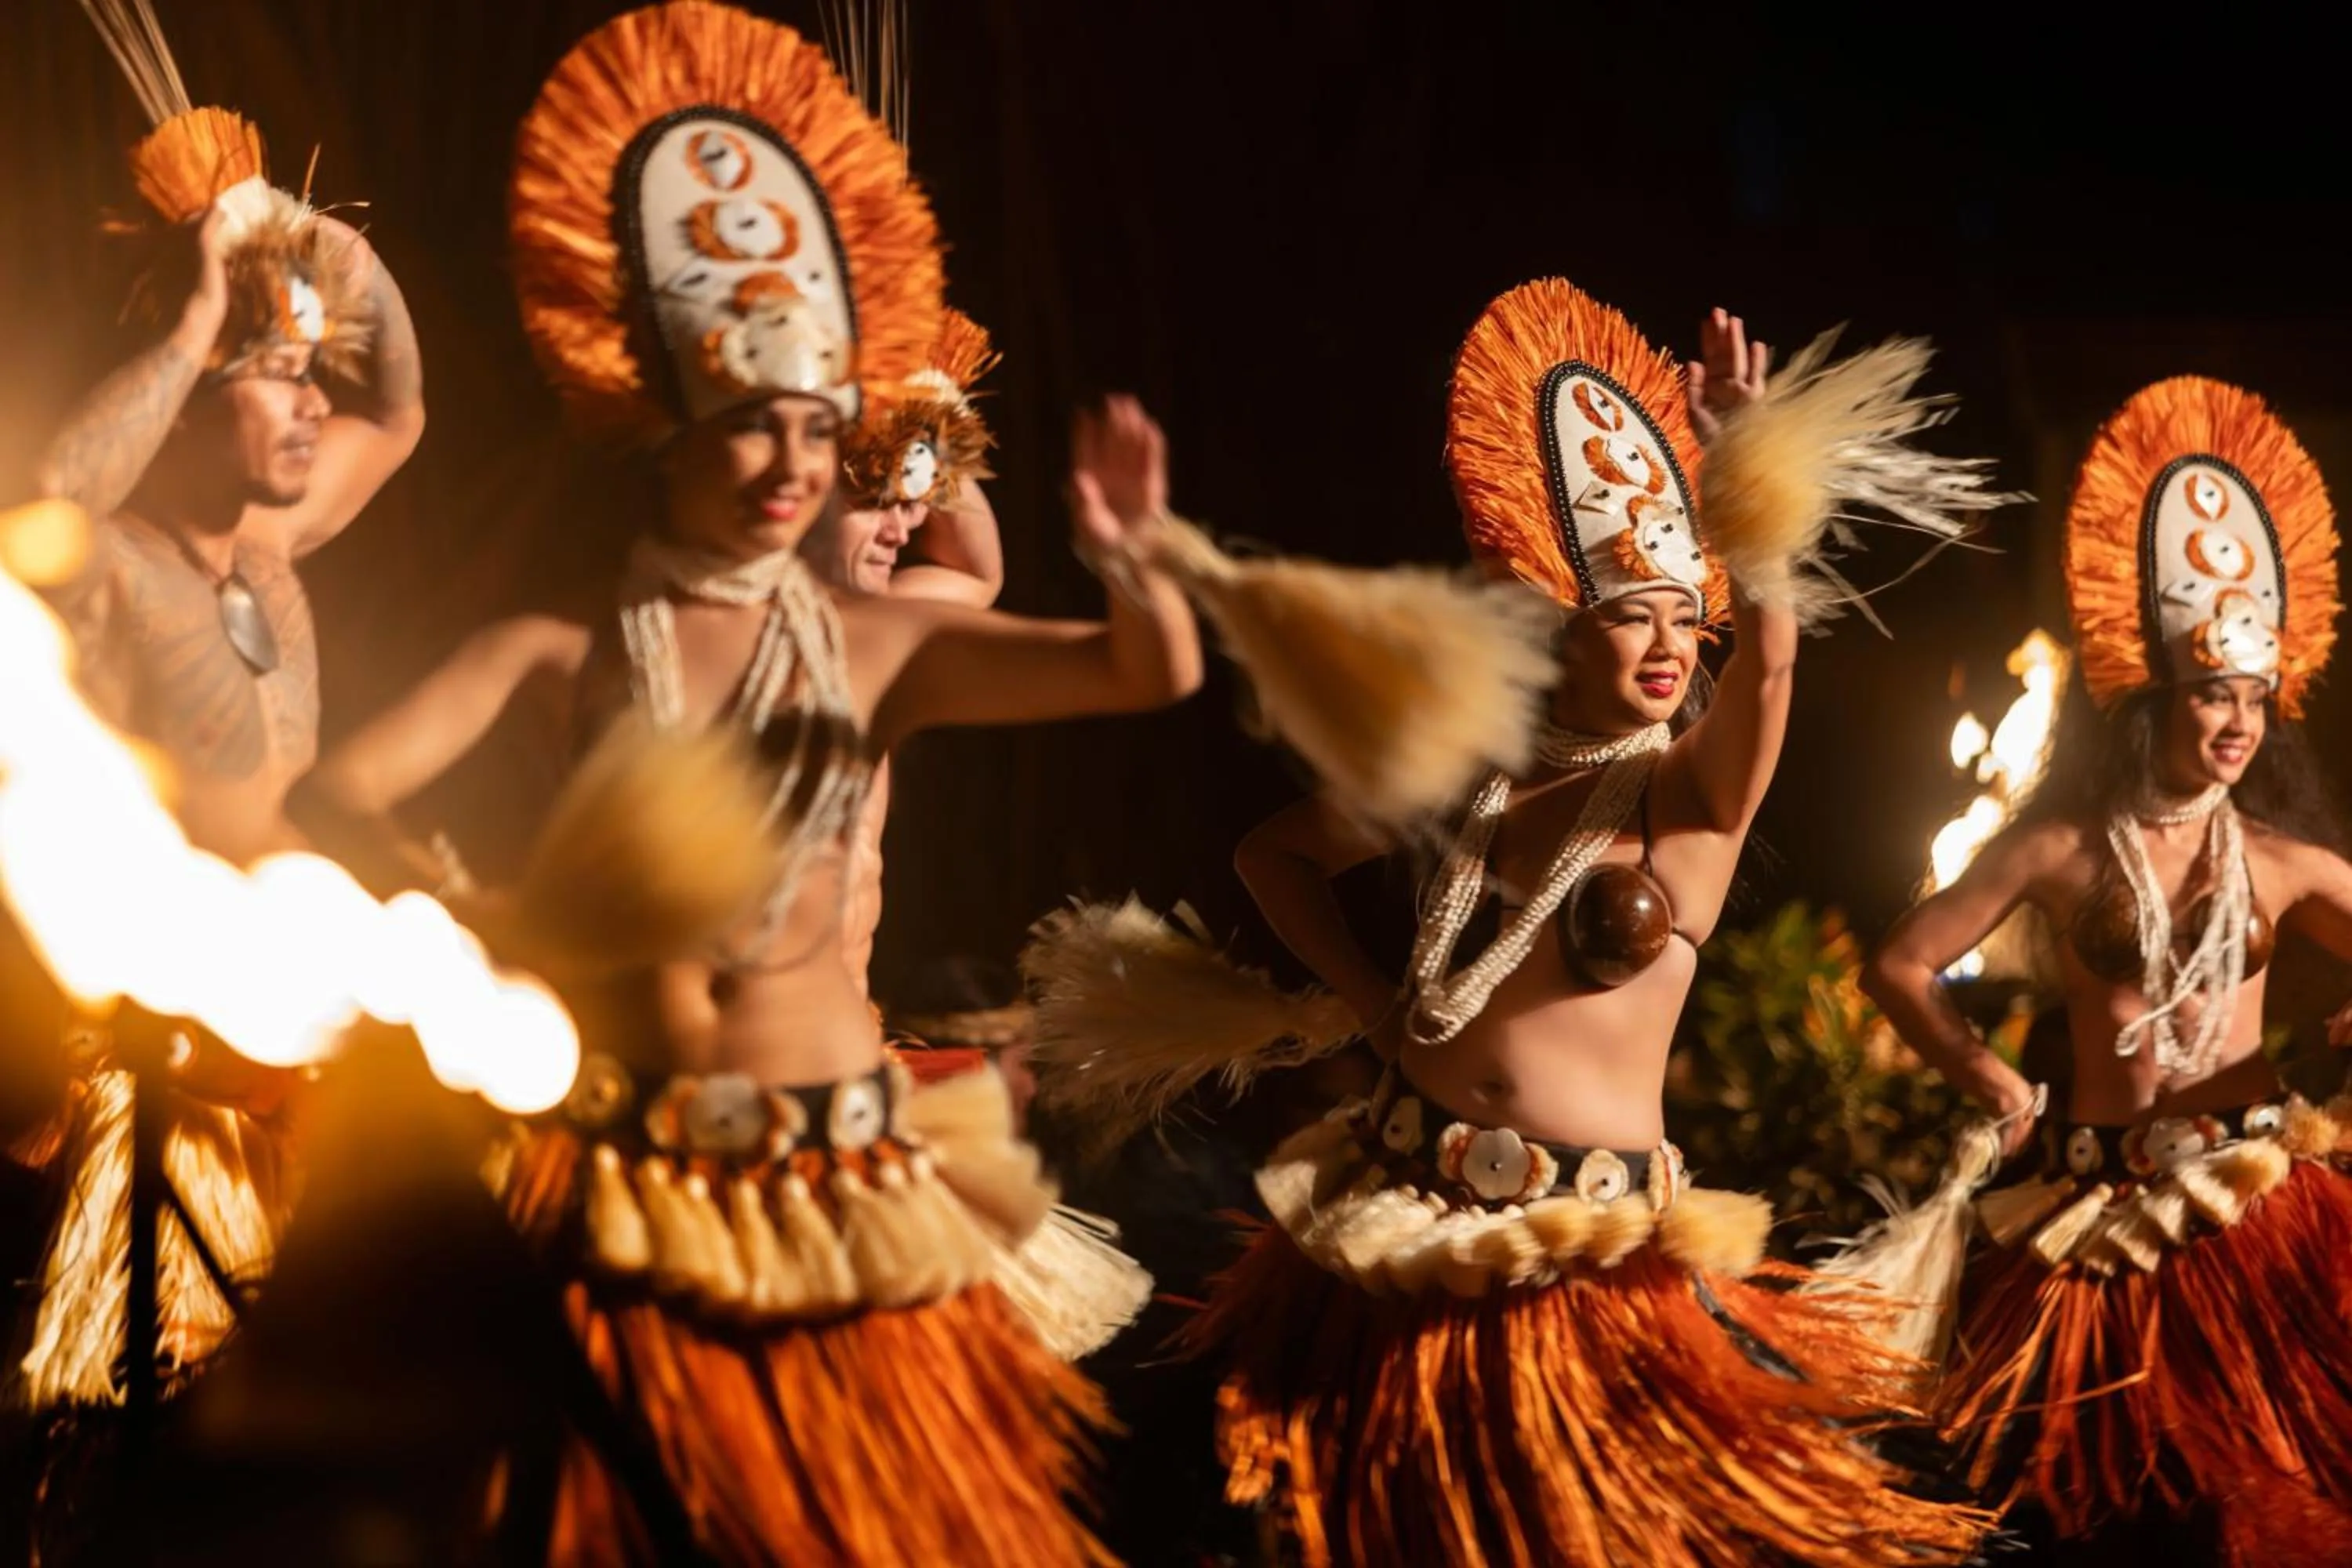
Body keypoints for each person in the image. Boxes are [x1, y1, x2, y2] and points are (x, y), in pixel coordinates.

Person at [296, 4, 1198, 1559]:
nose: (789, 465)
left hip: (837, 1176)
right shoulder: (568, 646)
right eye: (749, 430)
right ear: (662, 430)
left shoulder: (880, 641)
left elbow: (1147, 671)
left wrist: (1139, 561)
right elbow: (337, 794)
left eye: (813, 431)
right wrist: (489, 924)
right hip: (631, 1172)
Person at [1177, 280, 2002, 1566]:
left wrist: (1747, 492)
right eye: (1632, 617)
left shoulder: (1691, 808)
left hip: (1592, 1258)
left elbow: (1771, 664)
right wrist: (1367, 1000)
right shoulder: (1469, 779)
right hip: (1406, 1214)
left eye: (1686, 618)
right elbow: (1273, 854)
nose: (1670, 646)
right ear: (1555, 628)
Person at [1863, 375, 2352, 1563]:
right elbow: (1902, 964)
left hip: (2248, 1207)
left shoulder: (2284, 864)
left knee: (2264, 1498)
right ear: (2154, 701)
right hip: (2091, 1216)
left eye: (2252, 699)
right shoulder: (2061, 850)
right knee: (2093, 1512)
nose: (2236, 723)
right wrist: (1989, 1078)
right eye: (2209, 697)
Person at [805, 307, 1004, 993]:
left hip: (851, 1024)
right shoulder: (729, 643)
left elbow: (980, 574)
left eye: (912, 500)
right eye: (873, 497)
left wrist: (929, 420)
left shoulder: (880, 626)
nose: (903, 529)